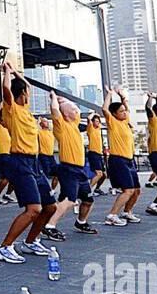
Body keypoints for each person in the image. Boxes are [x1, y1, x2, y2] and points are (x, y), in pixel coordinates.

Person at [0, 62, 58, 263]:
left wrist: (18, 74)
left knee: (50, 208)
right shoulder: (12, 110)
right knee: (34, 209)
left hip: (35, 163)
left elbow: (25, 84)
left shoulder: (27, 111)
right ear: (23, 94)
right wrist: (7, 73)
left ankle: (30, 242)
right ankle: (4, 247)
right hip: (20, 162)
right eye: (27, 91)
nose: (29, 93)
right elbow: (6, 90)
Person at [41, 91, 98, 241]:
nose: (76, 111)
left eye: (75, 109)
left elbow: (77, 110)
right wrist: (54, 99)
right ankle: (49, 226)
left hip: (80, 170)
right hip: (68, 169)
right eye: (72, 109)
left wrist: (64, 99)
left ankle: (81, 222)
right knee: (70, 200)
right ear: (65, 114)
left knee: (88, 200)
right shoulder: (61, 125)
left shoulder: (74, 124)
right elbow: (54, 110)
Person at [102, 86, 142, 226]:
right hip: (118, 160)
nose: (125, 113)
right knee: (128, 190)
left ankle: (127, 212)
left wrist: (122, 96)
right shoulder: (112, 123)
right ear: (114, 114)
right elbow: (104, 110)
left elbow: (126, 107)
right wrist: (109, 94)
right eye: (121, 111)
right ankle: (111, 215)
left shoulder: (125, 122)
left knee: (136, 191)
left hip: (129, 160)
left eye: (125, 111)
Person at [0, 103, 15, 204]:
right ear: (1, 120)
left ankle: (8, 194)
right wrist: (0, 107)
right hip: (4, 155)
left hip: (11, 155)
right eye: (4, 118)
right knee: (6, 177)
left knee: (14, 177)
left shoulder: (8, 130)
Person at [86, 111, 109, 194]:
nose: (98, 122)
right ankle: (87, 191)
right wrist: (94, 113)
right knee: (99, 174)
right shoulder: (90, 128)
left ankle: (97, 189)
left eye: (98, 121)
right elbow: (89, 118)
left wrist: (98, 116)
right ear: (93, 122)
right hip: (93, 153)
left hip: (99, 154)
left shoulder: (98, 128)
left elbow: (101, 119)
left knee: (104, 175)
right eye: (96, 121)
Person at [38, 116, 59, 192]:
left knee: (57, 174)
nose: (46, 122)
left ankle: (52, 190)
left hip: (51, 156)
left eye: (47, 121)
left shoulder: (51, 133)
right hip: (43, 156)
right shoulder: (39, 132)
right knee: (44, 175)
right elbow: (34, 128)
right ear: (41, 124)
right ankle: (43, 191)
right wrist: (38, 121)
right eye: (44, 121)